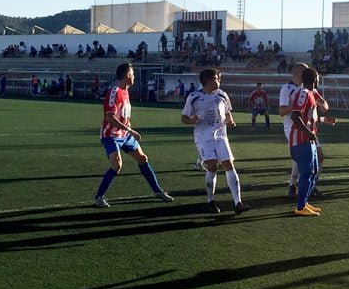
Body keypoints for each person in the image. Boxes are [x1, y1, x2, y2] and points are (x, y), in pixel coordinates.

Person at [93, 63, 174, 208]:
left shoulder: (125, 91)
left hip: (124, 134)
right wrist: (130, 130)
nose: (134, 76)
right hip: (111, 135)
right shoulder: (115, 92)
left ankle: (157, 191)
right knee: (117, 165)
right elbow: (110, 117)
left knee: (142, 158)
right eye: (132, 73)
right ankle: (99, 197)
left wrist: (128, 130)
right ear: (127, 75)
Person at [181, 68, 249, 214]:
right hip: (203, 138)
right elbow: (184, 118)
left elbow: (227, 112)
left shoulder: (222, 95)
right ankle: (210, 200)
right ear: (208, 81)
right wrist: (191, 120)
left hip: (221, 136)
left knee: (229, 165)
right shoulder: (194, 97)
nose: (219, 80)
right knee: (212, 166)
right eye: (217, 78)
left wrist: (230, 121)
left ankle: (238, 203)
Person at [289, 68, 336, 216]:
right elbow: (295, 116)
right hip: (301, 140)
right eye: (318, 77)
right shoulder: (303, 94)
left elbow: (308, 118)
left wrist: (322, 120)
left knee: (313, 170)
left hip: (309, 140)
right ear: (315, 79)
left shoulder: (310, 95)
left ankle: (304, 203)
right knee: (307, 172)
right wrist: (309, 133)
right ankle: (300, 206)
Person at [279, 62, 329, 199]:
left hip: (308, 128)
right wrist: (295, 105)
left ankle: (305, 187)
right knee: (304, 157)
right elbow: (282, 111)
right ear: (299, 73)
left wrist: (322, 105)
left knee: (317, 157)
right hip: (293, 127)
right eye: (306, 71)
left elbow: (323, 104)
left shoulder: (308, 88)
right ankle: (295, 186)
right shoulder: (287, 88)